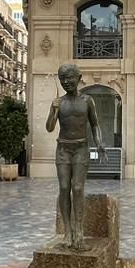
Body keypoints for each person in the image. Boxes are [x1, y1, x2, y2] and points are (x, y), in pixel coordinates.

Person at [46, 63, 100, 245]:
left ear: (79, 78)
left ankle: (79, 229)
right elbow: (49, 127)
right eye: (63, 79)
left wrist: (99, 143)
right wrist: (53, 110)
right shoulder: (59, 102)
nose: (66, 82)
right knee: (63, 188)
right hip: (63, 149)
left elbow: (95, 124)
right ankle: (67, 231)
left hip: (81, 149)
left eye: (70, 78)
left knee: (77, 188)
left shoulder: (87, 101)